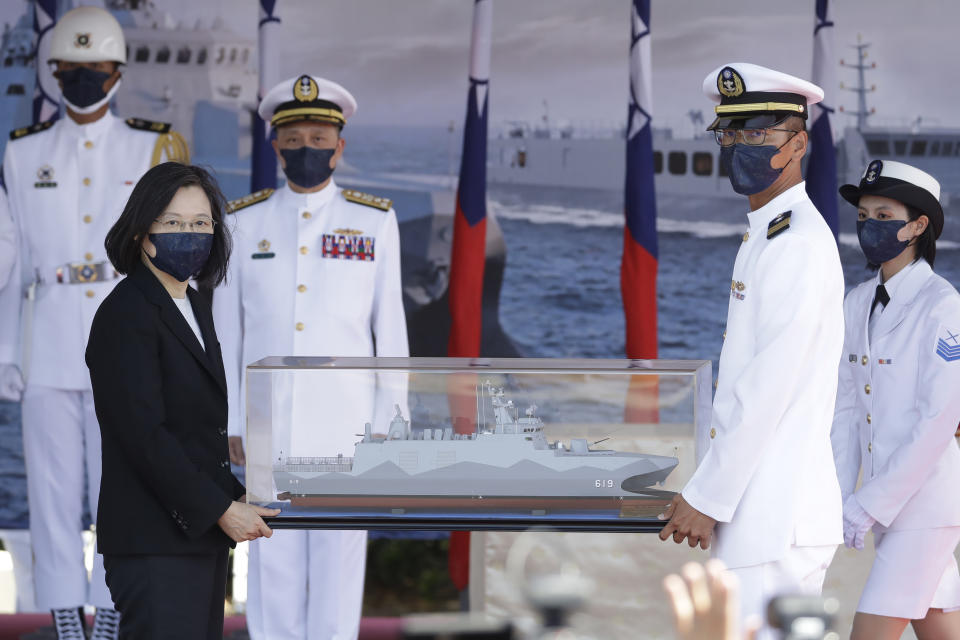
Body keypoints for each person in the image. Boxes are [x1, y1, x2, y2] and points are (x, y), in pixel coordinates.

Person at [0, 7, 188, 637]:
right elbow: (13, 264)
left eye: (96, 69)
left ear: (117, 72)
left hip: (127, 338)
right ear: (53, 73)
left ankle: (111, 615)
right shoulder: (25, 154)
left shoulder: (151, 146)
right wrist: (6, 352)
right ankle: (64, 619)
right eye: (71, 70)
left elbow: (175, 262)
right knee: (51, 495)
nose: (83, 79)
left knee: (124, 489)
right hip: (49, 339)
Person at [213, 74, 408, 640]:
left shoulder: (373, 222)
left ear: (340, 147)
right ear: (275, 145)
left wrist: (392, 425)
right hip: (268, 426)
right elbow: (228, 328)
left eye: (320, 138)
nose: (307, 149)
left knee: (338, 570)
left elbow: (388, 331)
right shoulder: (242, 221)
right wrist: (230, 419)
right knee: (271, 567)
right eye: (294, 138)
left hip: (350, 429)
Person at [658, 63, 844, 635]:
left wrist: (710, 496)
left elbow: (768, 388)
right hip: (760, 513)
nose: (740, 146)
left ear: (798, 143)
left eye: (759, 134)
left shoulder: (798, 246)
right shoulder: (767, 233)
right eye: (730, 134)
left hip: (774, 517)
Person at [85, 162, 279, 640]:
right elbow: (144, 436)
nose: (188, 235)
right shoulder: (126, 313)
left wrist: (236, 496)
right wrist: (219, 508)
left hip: (195, 537)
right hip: (154, 542)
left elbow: (195, 431)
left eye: (200, 223)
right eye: (172, 223)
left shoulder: (193, 304)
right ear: (140, 231)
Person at [831, 159, 960, 639]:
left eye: (883, 215)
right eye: (863, 216)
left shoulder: (943, 306)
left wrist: (868, 503)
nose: (869, 226)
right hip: (889, 509)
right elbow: (846, 411)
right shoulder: (857, 301)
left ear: (918, 225)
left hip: (924, 511)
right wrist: (840, 496)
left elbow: (938, 422)